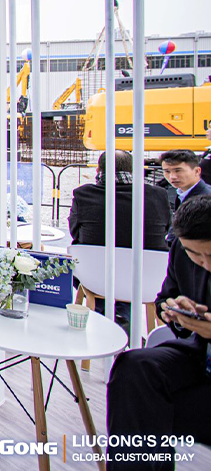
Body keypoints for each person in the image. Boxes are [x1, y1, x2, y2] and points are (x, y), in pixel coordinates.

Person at [105, 195, 211, 469]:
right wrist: (176, 311)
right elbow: (165, 299)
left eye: (210, 255)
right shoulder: (181, 250)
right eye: (195, 254)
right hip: (200, 356)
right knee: (134, 366)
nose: (204, 263)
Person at [69, 150, 171, 250]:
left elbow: (75, 231)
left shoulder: (83, 194)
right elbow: (167, 227)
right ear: (133, 170)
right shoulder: (158, 194)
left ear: (98, 170)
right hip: (150, 259)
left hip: (94, 258)